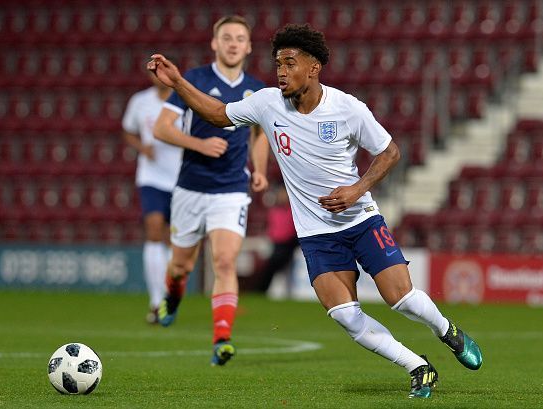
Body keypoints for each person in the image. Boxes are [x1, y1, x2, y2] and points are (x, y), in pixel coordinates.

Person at [147, 23, 482, 397]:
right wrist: (177, 82)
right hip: (316, 234)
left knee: (400, 298)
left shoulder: (347, 108)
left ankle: (447, 332)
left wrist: (358, 189)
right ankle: (417, 366)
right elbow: (218, 114)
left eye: (290, 63)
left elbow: (390, 152)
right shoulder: (266, 102)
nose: (281, 72)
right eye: (277, 64)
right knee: (343, 314)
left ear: (313, 68)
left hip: (360, 220)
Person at [152, 15, 269, 366]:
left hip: (231, 190)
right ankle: (172, 299)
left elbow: (260, 134)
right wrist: (198, 145)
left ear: (248, 47)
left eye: (240, 38)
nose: (233, 43)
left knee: (223, 260)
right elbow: (161, 128)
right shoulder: (194, 80)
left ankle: (222, 339)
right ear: (214, 44)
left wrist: (260, 170)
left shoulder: (258, 90)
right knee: (180, 267)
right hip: (190, 188)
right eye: (227, 37)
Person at [121, 70, 183, 324]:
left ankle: (170, 296)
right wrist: (140, 147)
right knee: (154, 229)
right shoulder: (140, 101)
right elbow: (128, 131)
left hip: (181, 178)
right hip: (152, 178)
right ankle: (156, 300)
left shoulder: (182, 100)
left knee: (173, 239)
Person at [256, 183, 299, 293]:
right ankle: (262, 289)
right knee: (271, 265)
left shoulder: (293, 210)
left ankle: (261, 290)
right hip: (276, 244)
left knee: (274, 264)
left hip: (289, 244)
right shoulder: (274, 211)